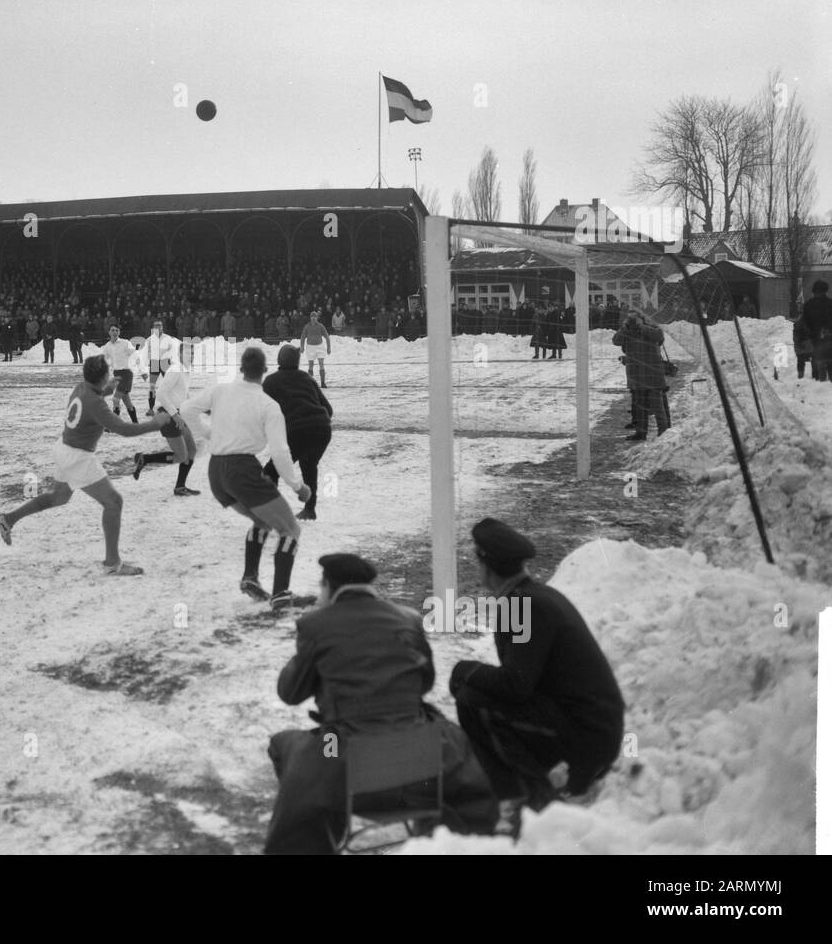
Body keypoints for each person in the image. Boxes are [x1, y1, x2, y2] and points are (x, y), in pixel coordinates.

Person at [265, 553, 499, 854]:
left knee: (287, 744)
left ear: (328, 586)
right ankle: (438, 835)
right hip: (419, 755)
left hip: (344, 755)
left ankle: (323, 834)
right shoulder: (408, 618)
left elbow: (290, 692)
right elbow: (425, 682)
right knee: (456, 743)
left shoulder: (315, 625)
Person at [449, 518, 625, 832]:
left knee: (473, 701)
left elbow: (515, 686)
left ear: (485, 566)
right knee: (478, 693)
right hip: (595, 732)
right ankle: (527, 792)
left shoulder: (522, 605)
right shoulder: (534, 597)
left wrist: (465, 670)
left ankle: (527, 799)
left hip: (588, 742)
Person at [0, 354, 167, 576]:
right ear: (104, 377)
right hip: (78, 457)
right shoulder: (96, 405)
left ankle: (7, 519)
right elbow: (124, 429)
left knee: (58, 497)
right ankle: (112, 563)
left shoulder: (81, 388)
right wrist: (155, 424)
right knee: (114, 502)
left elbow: (92, 394)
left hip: (63, 449)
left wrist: (106, 388)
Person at [181, 346, 313, 610]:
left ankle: (250, 578)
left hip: (216, 472)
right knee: (290, 529)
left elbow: (186, 409)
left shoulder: (221, 390)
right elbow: (279, 451)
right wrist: (298, 486)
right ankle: (281, 594)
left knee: (262, 520)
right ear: (265, 371)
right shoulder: (268, 405)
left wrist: (209, 434)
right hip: (243, 470)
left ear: (241, 368)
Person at [262, 345, 333, 521]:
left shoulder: (271, 381)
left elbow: (259, 409)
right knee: (308, 465)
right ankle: (310, 509)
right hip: (322, 429)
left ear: (279, 360)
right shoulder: (307, 378)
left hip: (298, 430)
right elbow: (328, 410)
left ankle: (273, 512)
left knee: (272, 470)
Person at [131, 358, 200, 496]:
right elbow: (161, 393)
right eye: (187, 353)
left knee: (191, 450)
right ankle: (145, 459)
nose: (191, 356)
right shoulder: (175, 370)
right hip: (168, 415)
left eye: (192, 353)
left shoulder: (186, 372)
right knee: (181, 456)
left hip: (177, 414)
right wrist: (175, 415)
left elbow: (184, 395)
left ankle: (180, 486)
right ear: (180, 355)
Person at [611, 309, 667, 440]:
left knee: (657, 405)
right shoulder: (627, 331)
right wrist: (625, 327)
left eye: (634, 319)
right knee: (639, 406)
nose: (632, 322)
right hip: (636, 374)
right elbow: (616, 341)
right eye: (630, 319)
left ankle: (663, 432)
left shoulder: (651, 328)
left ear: (642, 318)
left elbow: (659, 337)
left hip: (652, 372)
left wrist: (642, 327)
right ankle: (641, 433)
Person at [102, 325, 140, 423]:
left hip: (126, 374)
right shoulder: (107, 346)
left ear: (119, 332)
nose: (114, 332)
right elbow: (105, 360)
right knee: (127, 402)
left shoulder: (125, 343)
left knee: (115, 399)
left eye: (116, 330)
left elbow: (135, 354)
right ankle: (135, 423)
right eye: (112, 330)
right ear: (109, 332)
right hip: (117, 375)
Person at [800, 280, 832, 382]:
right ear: (826, 290)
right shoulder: (830, 303)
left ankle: (818, 383)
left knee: (817, 362)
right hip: (828, 338)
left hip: (815, 339)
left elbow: (804, 324)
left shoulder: (809, 305)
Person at [143, 319, 177, 410]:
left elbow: (174, 351)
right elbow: (145, 354)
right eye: (156, 326)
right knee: (152, 387)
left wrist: (173, 363)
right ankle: (151, 409)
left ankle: (173, 406)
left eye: (160, 325)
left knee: (170, 385)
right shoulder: (149, 340)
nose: (158, 327)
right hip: (154, 363)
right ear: (153, 328)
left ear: (162, 327)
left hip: (165, 363)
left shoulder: (168, 338)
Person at [300, 310, 331, 387]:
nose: (313, 318)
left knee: (321, 364)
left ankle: (323, 382)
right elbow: (303, 337)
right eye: (312, 316)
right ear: (310, 318)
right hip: (310, 347)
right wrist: (302, 347)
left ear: (317, 318)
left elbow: (327, 336)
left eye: (315, 316)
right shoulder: (307, 327)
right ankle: (310, 384)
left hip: (319, 347)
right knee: (311, 365)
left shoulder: (321, 326)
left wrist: (328, 347)